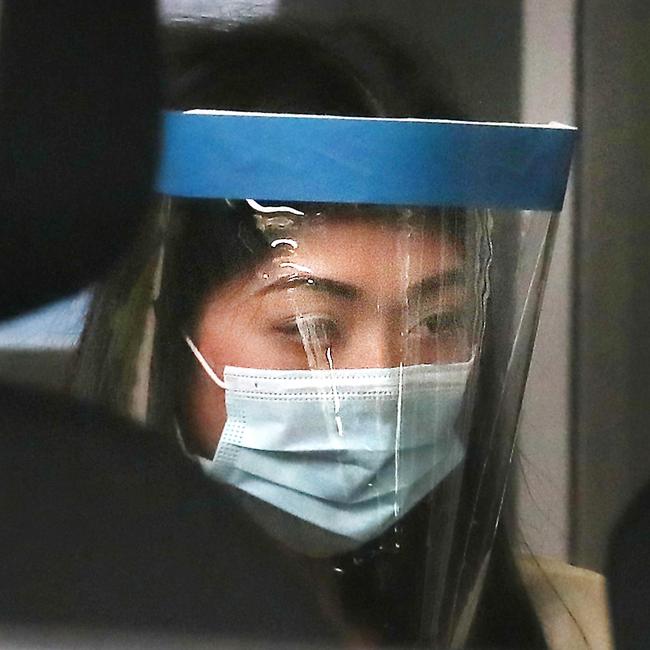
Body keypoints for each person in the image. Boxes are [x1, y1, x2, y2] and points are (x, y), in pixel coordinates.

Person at [75, 19, 608, 649]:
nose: (381, 380)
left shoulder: (589, 625)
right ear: (159, 336)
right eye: (311, 326)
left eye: (435, 322)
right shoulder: (40, 626)